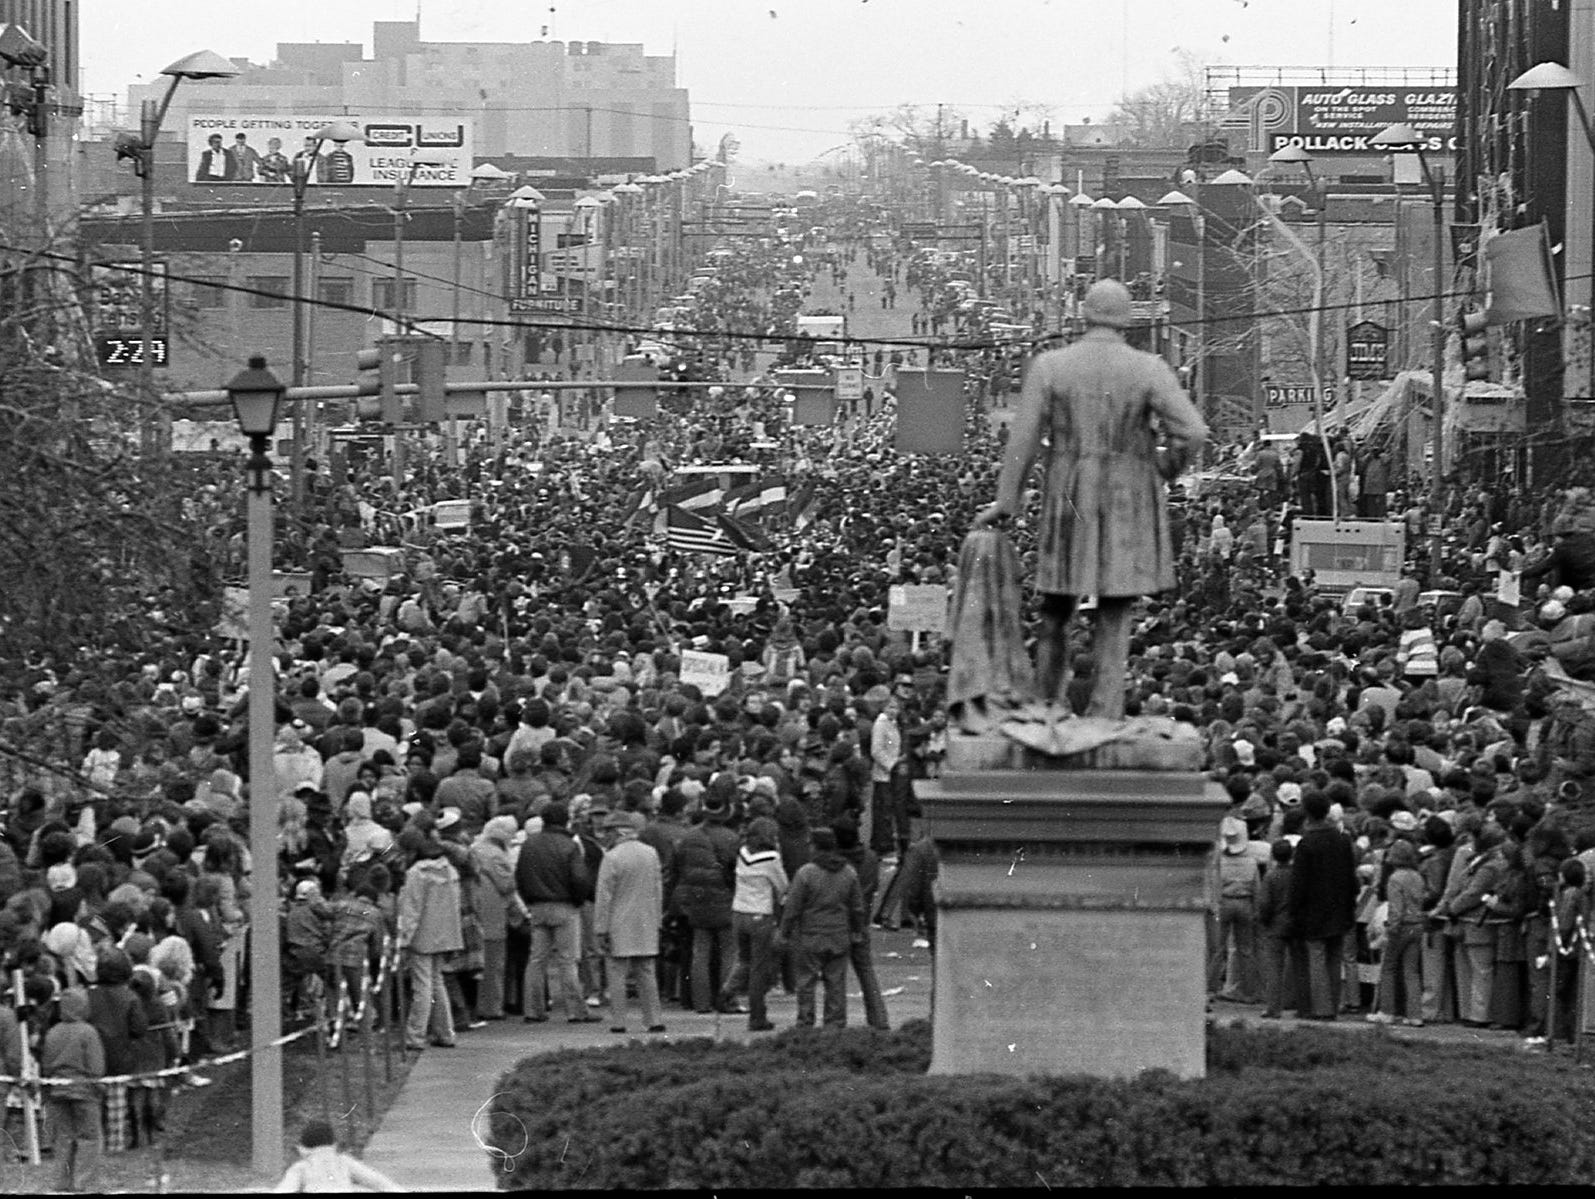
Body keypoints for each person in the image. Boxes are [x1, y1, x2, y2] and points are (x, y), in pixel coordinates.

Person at [973, 278, 1208, 720]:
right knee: (1116, 607)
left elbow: (1021, 441)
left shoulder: (1050, 366)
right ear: (1127, 319)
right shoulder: (1149, 368)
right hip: (1129, 496)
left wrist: (1007, 500)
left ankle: (1045, 703)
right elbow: (1194, 432)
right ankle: (1106, 707)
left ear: (1084, 314)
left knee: (1057, 603)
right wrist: (1163, 468)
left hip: (1069, 491)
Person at [513, 800, 595, 1024]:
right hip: (564, 905)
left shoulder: (530, 844)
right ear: (565, 820)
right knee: (567, 960)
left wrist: (530, 900)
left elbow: (520, 876)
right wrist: (578, 900)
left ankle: (533, 1009)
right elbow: (579, 878)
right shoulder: (569, 845)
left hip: (537, 905)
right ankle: (576, 1011)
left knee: (536, 960)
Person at [779, 825, 866, 1028]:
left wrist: (784, 932)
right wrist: (857, 931)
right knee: (836, 983)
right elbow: (857, 907)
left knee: (806, 982)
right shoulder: (848, 873)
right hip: (838, 935)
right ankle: (835, 1024)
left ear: (816, 847)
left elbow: (793, 908)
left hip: (810, 936)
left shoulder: (806, 874)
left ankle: (805, 1022)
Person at [592, 810, 665, 1035]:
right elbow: (657, 888)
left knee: (616, 973)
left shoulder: (612, 857)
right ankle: (654, 1019)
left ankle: (619, 1021)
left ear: (617, 831)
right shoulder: (650, 853)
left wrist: (600, 928)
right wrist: (657, 919)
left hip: (618, 921)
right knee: (646, 971)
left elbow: (604, 896)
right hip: (646, 920)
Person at [1287, 790, 1358, 1020]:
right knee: (1334, 958)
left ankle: (1320, 1007)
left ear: (1307, 812)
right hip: (1339, 906)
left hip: (1313, 910)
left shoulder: (1307, 844)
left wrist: (1294, 910)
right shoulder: (1342, 839)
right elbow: (1350, 876)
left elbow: (1299, 883)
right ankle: (1334, 1005)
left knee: (1316, 957)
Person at [395, 829, 464, 1050]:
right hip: (445, 934)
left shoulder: (417, 873)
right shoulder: (450, 870)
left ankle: (415, 1035)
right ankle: (445, 1032)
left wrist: (404, 938)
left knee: (422, 987)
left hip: (422, 935)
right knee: (437, 983)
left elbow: (412, 909)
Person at [673, 793, 740, 1014]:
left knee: (699, 952)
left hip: (697, 899)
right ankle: (726, 999)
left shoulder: (689, 837)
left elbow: (678, 868)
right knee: (729, 952)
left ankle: (700, 1002)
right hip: (725, 899)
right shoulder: (732, 838)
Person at [720, 815, 788, 1032]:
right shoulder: (771, 858)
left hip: (738, 912)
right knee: (759, 969)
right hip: (760, 915)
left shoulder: (742, 852)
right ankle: (757, 1016)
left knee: (743, 959)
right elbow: (783, 887)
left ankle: (726, 992)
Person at [42, 986, 104, 1193]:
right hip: (84, 1091)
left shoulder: (52, 1032)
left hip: (58, 1091)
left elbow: (46, 1064)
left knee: (63, 1138)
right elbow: (95, 1065)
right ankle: (83, 1183)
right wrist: (98, 1085)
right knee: (89, 1137)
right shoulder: (88, 1032)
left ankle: (62, 1181)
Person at [1209, 816, 1261, 1005]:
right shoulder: (1251, 862)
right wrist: (1256, 910)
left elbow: (1214, 884)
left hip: (1224, 903)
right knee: (1246, 950)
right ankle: (1249, 992)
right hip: (1245, 904)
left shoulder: (1219, 861)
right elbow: (1257, 888)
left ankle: (1210, 990)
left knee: (1217, 949)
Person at [274, 1118, 405, 1192]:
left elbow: (284, 1190)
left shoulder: (302, 1167)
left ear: (303, 1149)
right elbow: (378, 1181)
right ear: (334, 1144)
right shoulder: (344, 1161)